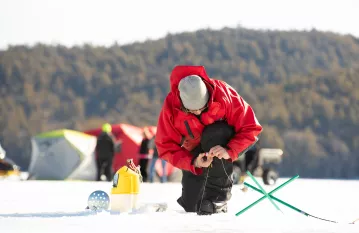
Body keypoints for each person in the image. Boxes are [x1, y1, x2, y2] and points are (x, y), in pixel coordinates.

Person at [155, 65, 263, 215]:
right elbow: (165, 146)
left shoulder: (224, 93)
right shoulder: (171, 106)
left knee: (215, 132)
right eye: (192, 110)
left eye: (203, 107)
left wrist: (229, 151)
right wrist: (193, 162)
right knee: (193, 207)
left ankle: (219, 198)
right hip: (195, 154)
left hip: (220, 146)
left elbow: (251, 127)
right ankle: (200, 195)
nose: (199, 112)